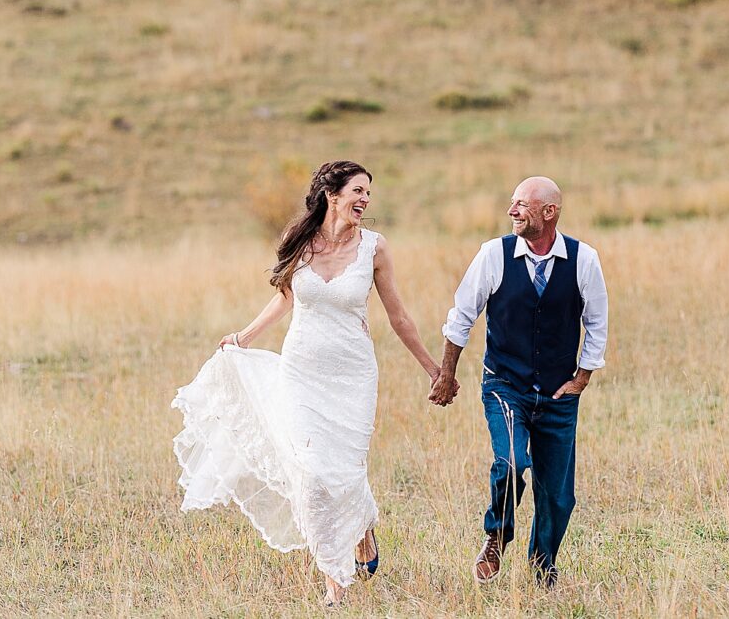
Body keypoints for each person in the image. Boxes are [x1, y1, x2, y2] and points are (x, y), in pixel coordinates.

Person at [172, 160, 443, 606]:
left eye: (369, 194)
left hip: (354, 376)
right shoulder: (299, 242)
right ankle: (334, 581)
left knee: (345, 469)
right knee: (313, 475)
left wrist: (433, 369)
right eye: (358, 191)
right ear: (332, 195)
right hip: (302, 373)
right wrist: (244, 336)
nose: (365, 200)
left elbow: (399, 316)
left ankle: (363, 533)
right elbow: (284, 297)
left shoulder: (375, 248)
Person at [430, 175, 609, 587]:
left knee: (560, 497)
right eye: (512, 202)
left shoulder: (584, 260)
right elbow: (461, 316)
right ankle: (496, 535)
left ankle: (542, 565)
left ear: (550, 212)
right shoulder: (494, 254)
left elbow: (596, 322)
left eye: (522, 205)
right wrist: (447, 374)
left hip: (559, 394)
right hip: (505, 385)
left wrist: (582, 377)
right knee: (512, 461)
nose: (512, 211)